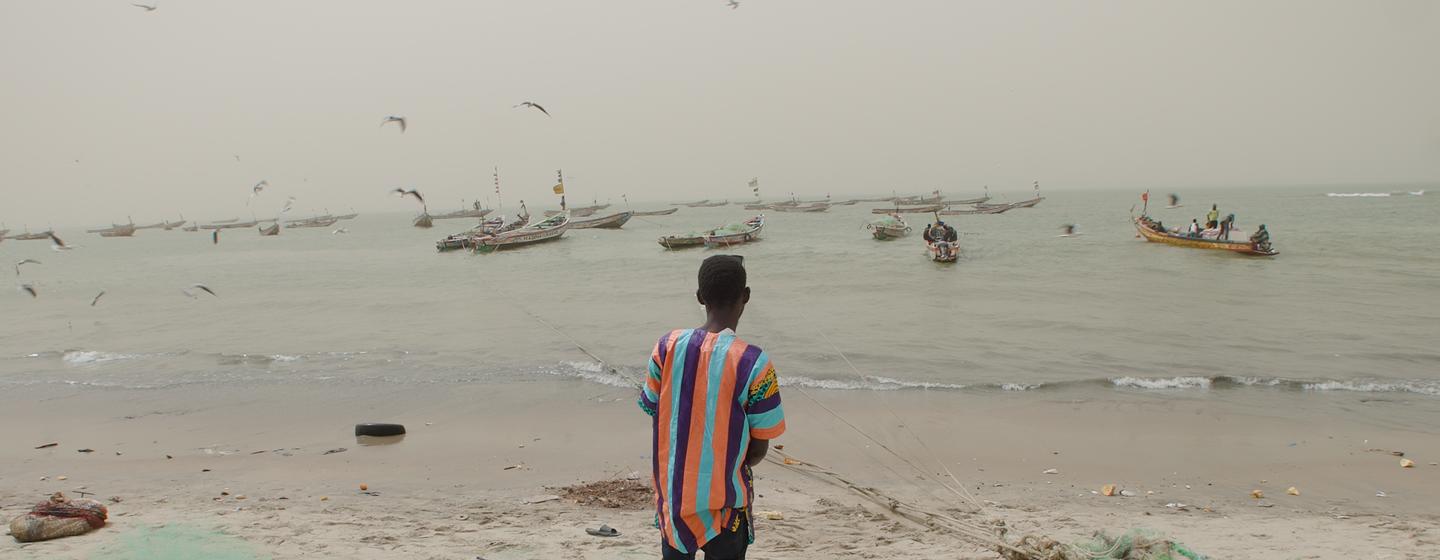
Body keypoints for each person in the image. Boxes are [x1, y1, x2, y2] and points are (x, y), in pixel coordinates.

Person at [640, 255, 786, 560]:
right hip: (725, 507)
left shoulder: (666, 346)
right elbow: (758, 450)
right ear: (745, 296)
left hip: (675, 501)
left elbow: (655, 409)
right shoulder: (754, 362)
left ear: (699, 297)